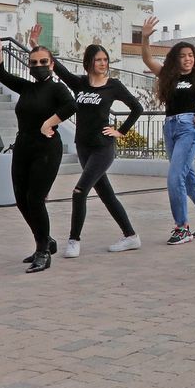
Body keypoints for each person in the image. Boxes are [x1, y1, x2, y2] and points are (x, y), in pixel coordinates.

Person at [139, 17, 195, 244]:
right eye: (183, 56)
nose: (188, 59)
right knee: (187, 178)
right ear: (175, 59)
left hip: (188, 128)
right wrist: (144, 37)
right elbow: (147, 59)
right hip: (170, 126)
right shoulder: (168, 75)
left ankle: (182, 228)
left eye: (191, 55)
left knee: (174, 178)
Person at [0, 33, 76, 273]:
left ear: (51, 64)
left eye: (43, 62)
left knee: (36, 199)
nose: (38, 66)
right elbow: (1, 75)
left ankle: (43, 251)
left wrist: (50, 122)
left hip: (47, 148)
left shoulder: (57, 88)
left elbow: (71, 105)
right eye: (34, 63)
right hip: (23, 146)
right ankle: (45, 239)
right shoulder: (26, 87)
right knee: (21, 199)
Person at [52, 43, 144, 257]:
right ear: (89, 62)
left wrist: (120, 131)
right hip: (83, 146)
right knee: (107, 195)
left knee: (79, 191)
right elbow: (59, 69)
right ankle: (131, 236)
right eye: (99, 60)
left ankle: (74, 241)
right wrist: (37, 46)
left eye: (105, 60)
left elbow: (137, 108)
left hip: (103, 148)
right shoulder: (80, 83)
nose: (103, 63)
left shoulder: (113, 85)